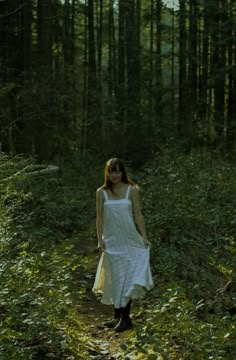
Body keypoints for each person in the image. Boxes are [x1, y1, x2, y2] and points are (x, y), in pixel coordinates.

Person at [92, 158, 154, 332]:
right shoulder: (101, 192)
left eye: (118, 171)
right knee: (115, 277)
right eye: (112, 171)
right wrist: (100, 238)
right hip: (112, 240)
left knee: (127, 276)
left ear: (123, 172)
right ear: (107, 173)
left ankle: (126, 319)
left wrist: (144, 237)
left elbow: (138, 215)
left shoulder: (132, 190)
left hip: (130, 240)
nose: (115, 175)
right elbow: (100, 217)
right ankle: (117, 316)